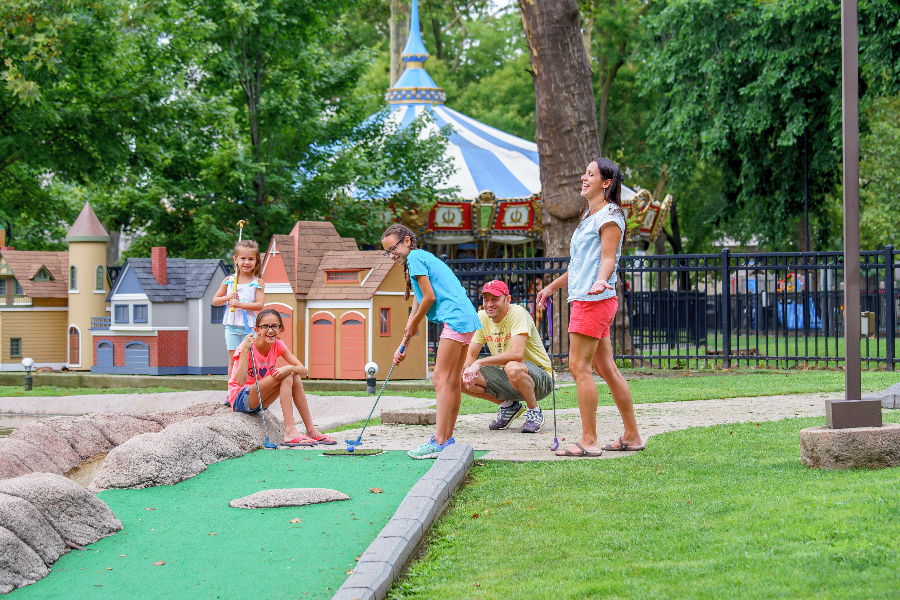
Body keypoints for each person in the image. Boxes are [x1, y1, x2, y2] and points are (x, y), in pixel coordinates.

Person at [536, 157, 644, 457]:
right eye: (584, 173)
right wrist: (552, 287)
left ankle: (589, 440)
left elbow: (608, 258)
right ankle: (632, 436)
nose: (583, 177)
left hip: (593, 301)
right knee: (605, 368)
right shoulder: (589, 214)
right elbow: (580, 265)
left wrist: (601, 280)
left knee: (578, 367)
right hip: (590, 298)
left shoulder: (610, 215)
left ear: (606, 183)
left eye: (590, 174)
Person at [381, 224, 482, 459]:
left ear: (407, 241)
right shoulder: (419, 259)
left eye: (393, 248)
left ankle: (439, 441)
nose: (391, 255)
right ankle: (447, 439)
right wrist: (404, 342)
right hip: (466, 318)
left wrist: (415, 323)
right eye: (387, 252)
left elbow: (429, 298)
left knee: (439, 377)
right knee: (452, 381)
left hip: (455, 318)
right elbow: (418, 303)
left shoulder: (415, 258)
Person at [228, 309, 335, 447]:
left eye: (274, 326)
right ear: (257, 330)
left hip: (260, 401)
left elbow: (304, 370)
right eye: (265, 326)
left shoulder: (277, 344)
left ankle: (311, 430)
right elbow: (240, 381)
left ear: (281, 329)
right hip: (241, 399)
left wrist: (289, 367)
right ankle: (290, 432)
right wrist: (244, 351)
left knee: (293, 375)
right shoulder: (247, 347)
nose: (270, 330)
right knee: (286, 375)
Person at [461, 280, 553, 433]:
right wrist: (467, 372)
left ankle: (534, 412)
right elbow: (470, 354)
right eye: (486, 299)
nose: (489, 304)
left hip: (541, 378)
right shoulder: (482, 316)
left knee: (512, 367)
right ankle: (509, 406)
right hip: (508, 377)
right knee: (457, 375)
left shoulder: (517, 313)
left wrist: (480, 363)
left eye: (495, 299)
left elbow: (517, 353)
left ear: (508, 299)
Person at [214, 240, 265, 360]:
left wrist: (239, 304)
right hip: (232, 326)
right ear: (235, 259)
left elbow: (259, 305)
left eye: (251, 259)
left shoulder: (257, 282)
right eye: (243, 258)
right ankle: (233, 375)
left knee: (248, 357)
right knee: (233, 358)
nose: (247, 262)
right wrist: (228, 297)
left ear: (256, 260)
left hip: (250, 326)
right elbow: (216, 301)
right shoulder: (229, 280)